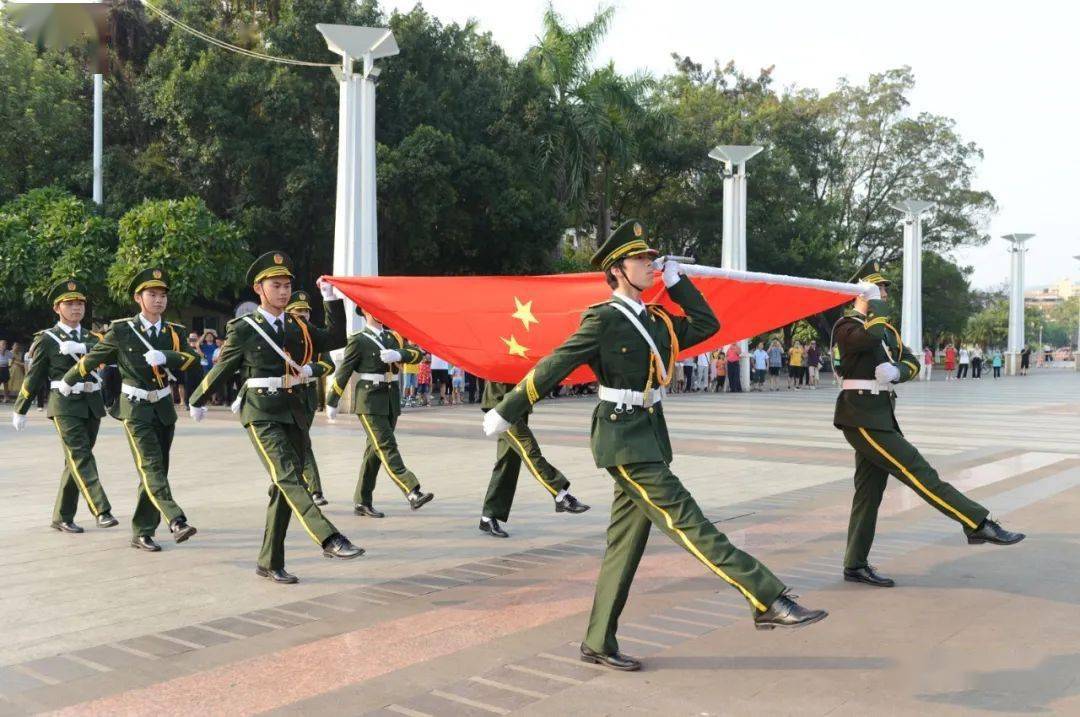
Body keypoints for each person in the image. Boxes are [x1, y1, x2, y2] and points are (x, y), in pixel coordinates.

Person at [483, 220, 827, 671]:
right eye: (641, 259)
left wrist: (678, 283)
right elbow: (557, 363)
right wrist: (508, 409)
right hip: (622, 440)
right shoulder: (603, 319)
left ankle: (598, 641)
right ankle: (766, 596)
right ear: (617, 270)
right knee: (690, 522)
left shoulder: (657, 320)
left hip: (649, 435)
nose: (649, 264)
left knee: (623, 546)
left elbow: (707, 324)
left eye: (651, 258)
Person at [831, 262, 1024, 589]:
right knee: (919, 472)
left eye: (884, 289)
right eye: (877, 290)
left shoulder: (885, 329)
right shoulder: (846, 325)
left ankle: (855, 563)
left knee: (868, 493)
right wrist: (871, 304)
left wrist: (898, 373)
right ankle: (976, 522)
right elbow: (869, 337)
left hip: (880, 414)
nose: (885, 294)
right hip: (860, 415)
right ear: (860, 294)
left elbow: (911, 360)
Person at [190, 252, 363, 582]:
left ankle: (269, 561)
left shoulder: (298, 326)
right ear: (259, 288)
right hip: (261, 412)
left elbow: (336, 338)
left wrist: (331, 300)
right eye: (276, 285)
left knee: (282, 488)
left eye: (287, 286)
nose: (283, 292)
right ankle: (328, 538)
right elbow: (223, 366)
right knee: (288, 477)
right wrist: (198, 398)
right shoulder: (243, 328)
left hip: (295, 410)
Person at [60, 269, 200, 550]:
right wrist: (68, 380)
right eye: (152, 294)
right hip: (134, 408)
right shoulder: (123, 331)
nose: (159, 300)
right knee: (150, 465)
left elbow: (192, 360)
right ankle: (176, 519)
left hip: (162, 406)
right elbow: (94, 358)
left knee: (156, 470)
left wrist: (167, 357)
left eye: (162, 295)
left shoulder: (174, 332)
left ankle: (142, 531)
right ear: (138, 297)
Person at [11, 279, 119, 533]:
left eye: (80, 303)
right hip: (65, 404)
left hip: (92, 403)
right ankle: (101, 510)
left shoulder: (92, 338)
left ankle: (62, 516)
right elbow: (34, 376)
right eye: (69, 304)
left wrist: (83, 347)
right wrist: (21, 407)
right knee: (81, 456)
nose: (76, 308)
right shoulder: (47, 339)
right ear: (57, 308)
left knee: (74, 460)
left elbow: (112, 353)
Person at [326, 306, 435, 517]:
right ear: (365, 312)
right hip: (369, 401)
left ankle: (362, 500)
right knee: (386, 446)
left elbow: (417, 354)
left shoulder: (393, 337)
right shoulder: (358, 340)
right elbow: (344, 371)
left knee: (374, 452)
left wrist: (398, 353)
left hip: (390, 399)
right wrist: (332, 401)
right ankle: (412, 490)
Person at [478, 381, 590, 538]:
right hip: (502, 406)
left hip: (517, 402)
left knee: (508, 461)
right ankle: (560, 493)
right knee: (528, 448)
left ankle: (488, 516)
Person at [286, 290, 334, 506]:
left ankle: (313, 489)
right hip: (283, 394)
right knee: (289, 443)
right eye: (298, 311)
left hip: (306, 395)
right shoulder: (281, 333)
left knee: (302, 441)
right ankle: (288, 486)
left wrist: (311, 369)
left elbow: (328, 364)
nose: (303, 314)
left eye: (306, 311)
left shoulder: (314, 335)